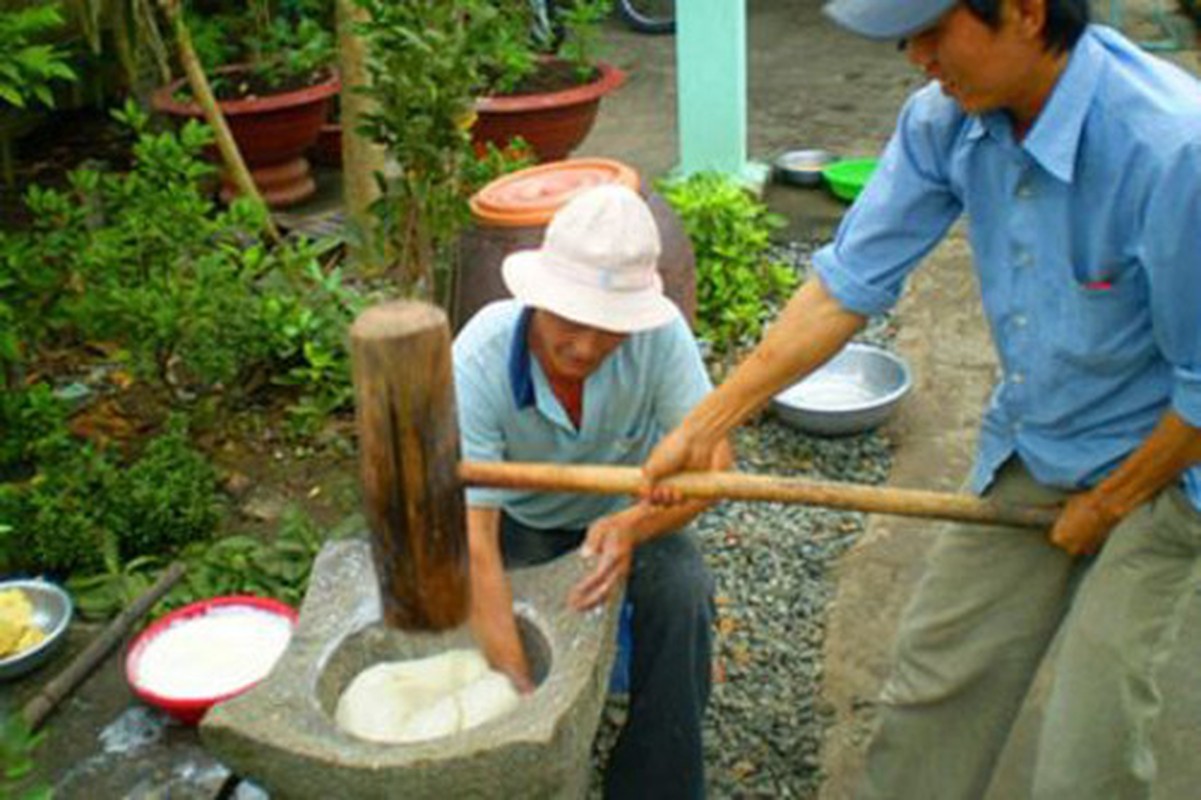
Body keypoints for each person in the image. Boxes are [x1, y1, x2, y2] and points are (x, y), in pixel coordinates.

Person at [641, 1, 1201, 798]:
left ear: (1027, 12)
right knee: (935, 689)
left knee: (1090, 749)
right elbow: (844, 288)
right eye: (905, 36)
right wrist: (705, 424)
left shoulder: (1173, 148)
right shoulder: (946, 122)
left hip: (1162, 466)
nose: (916, 56)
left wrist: (1109, 505)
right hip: (1036, 442)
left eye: (934, 30)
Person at [453, 183, 733, 799]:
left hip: (619, 514)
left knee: (684, 588)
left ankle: (656, 782)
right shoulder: (478, 356)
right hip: (517, 525)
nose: (584, 347)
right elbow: (476, 541)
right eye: (568, 324)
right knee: (472, 615)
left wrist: (633, 527)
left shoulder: (660, 340)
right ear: (537, 300)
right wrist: (527, 709)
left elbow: (714, 468)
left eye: (609, 330)